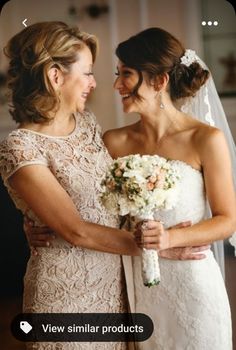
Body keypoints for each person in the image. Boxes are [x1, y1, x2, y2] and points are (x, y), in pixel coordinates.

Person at [0, 21, 208, 350]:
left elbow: (110, 198)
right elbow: (75, 230)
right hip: (65, 296)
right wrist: (162, 249)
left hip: (116, 286)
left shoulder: (88, 125)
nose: (95, 83)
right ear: (55, 76)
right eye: (86, 73)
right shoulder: (20, 147)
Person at [101, 27, 236, 349]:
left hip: (193, 281)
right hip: (136, 282)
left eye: (127, 75)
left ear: (159, 81)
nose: (117, 84)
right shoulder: (114, 141)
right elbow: (98, 213)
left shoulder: (206, 139)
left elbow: (227, 219)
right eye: (117, 74)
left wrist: (170, 238)